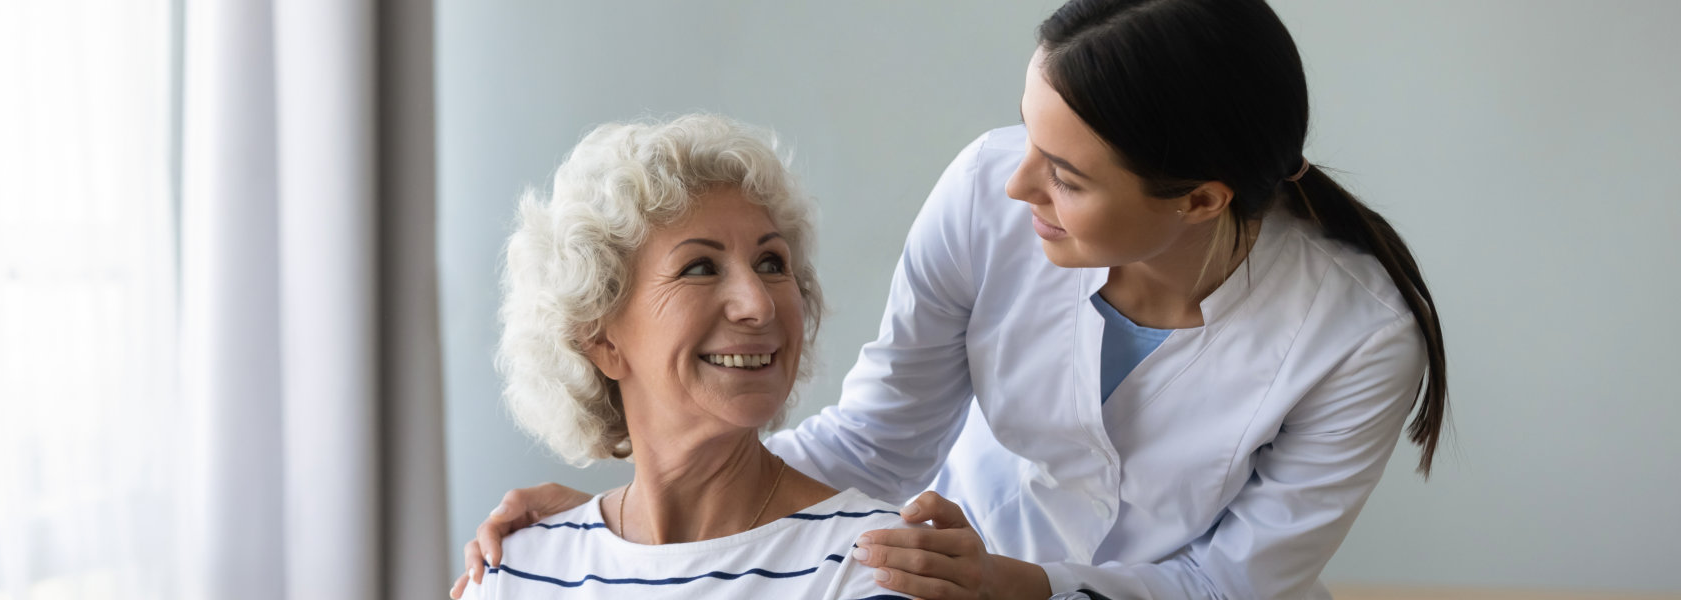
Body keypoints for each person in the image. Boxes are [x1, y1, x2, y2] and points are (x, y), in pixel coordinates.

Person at [454, 1, 1448, 598]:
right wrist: (624, 517)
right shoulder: (986, 193)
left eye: (1063, 175)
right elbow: (880, 439)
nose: (1016, 185)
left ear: (1200, 200)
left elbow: (1231, 586)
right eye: (1026, 136)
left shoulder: (1356, 338)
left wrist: (1028, 588)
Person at [459, 114, 918, 599]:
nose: (758, 305)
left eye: (771, 264)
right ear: (601, 341)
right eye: (699, 267)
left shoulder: (879, 564)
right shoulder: (516, 573)